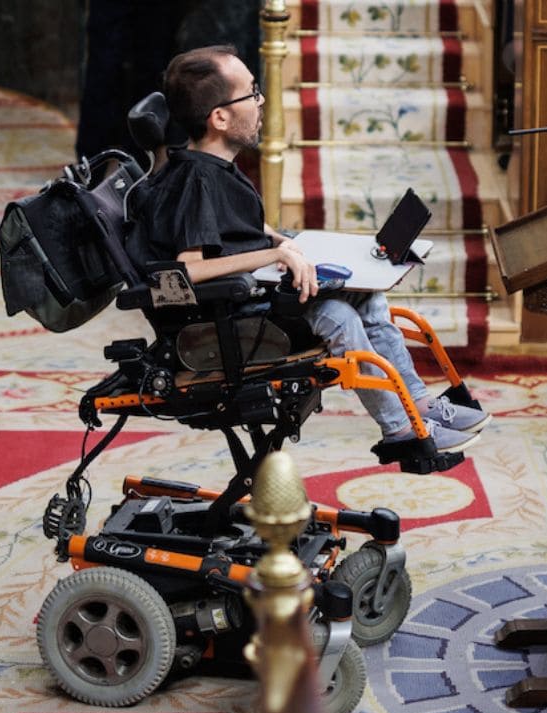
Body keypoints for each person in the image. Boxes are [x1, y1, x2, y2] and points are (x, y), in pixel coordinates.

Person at [128, 45, 490, 454]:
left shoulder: (207, 167)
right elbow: (186, 271)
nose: (261, 101)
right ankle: (401, 431)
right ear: (220, 117)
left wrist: (281, 241)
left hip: (257, 297)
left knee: (369, 298)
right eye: (251, 93)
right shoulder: (197, 182)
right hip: (228, 321)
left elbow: (232, 226)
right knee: (337, 315)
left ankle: (419, 405)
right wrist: (274, 255)